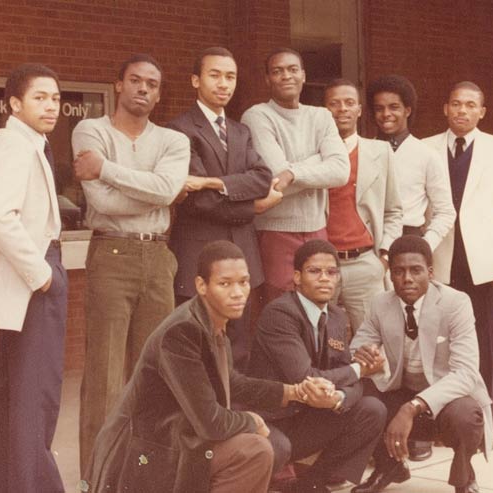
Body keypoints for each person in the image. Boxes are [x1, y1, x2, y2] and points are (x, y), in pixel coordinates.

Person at [82, 240, 321, 493]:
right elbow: (210, 423)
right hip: (145, 452)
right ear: (201, 285)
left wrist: (295, 392)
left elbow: (233, 382)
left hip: (177, 439)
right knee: (256, 449)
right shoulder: (182, 331)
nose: (238, 292)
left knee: (266, 445)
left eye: (243, 282)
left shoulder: (212, 322)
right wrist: (252, 420)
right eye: (225, 284)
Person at [71, 54, 189, 472]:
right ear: (118, 85)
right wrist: (156, 191)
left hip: (158, 256)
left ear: (159, 93)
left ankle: (143, 473)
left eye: (152, 84)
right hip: (112, 253)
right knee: (105, 376)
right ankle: (97, 475)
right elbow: (101, 200)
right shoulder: (91, 129)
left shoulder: (173, 140)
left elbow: (169, 187)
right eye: (135, 80)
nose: (143, 88)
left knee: (154, 371)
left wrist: (105, 168)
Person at [423, 81, 493, 434]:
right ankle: (445, 422)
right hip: (441, 260)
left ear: (481, 112)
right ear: (445, 108)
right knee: (441, 345)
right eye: (456, 104)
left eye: (471, 105)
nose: (462, 111)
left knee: (485, 343)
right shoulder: (427, 149)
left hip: (483, 263)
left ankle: (487, 421)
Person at [0, 63, 68, 492]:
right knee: (36, 399)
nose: (51, 106)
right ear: (15, 103)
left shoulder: (28, 141)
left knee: (16, 399)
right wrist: (42, 275)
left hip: (30, 281)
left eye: (55, 98)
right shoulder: (15, 143)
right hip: (33, 281)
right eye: (40, 97)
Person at [350, 235, 493, 493]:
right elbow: (357, 347)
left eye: (415, 270)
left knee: (466, 416)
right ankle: (389, 467)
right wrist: (366, 354)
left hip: (447, 396)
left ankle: (464, 476)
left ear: (430, 272)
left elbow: (465, 373)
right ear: (390, 275)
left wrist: (412, 407)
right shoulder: (380, 303)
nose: (407, 279)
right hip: (401, 389)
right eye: (399, 271)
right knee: (360, 398)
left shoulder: (455, 303)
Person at [168, 46, 277, 370]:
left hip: (241, 253)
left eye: (230, 76)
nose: (223, 83)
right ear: (195, 80)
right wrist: (254, 208)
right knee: (199, 352)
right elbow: (197, 201)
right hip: (198, 257)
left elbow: (262, 177)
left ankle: (236, 417)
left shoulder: (241, 131)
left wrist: (214, 183)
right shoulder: (179, 130)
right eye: (214, 75)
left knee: (239, 349)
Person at [249, 240, 386, 492]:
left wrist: (339, 398)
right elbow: (306, 377)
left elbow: (350, 380)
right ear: (297, 277)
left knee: (372, 409)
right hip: (273, 419)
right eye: (315, 271)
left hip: (308, 415)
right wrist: (359, 369)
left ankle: (312, 482)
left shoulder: (336, 316)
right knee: (278, 449)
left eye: (331, 272)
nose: (325, 279)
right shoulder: (280, 313)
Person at [241, 47, 349, 303]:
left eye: (292, 70)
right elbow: (278, 182)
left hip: (317, 230)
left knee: (320, 304)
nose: (286, 76)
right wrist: (317, 163)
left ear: (303, 75)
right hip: (275, 233)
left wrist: (294, 171)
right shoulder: (257, 116)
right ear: (267, 79)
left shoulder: (321, 116)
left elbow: (341, 171)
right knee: (281, 306)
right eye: (277, 72)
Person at [323, 79, 403, 333]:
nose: (342, 109)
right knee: (320, 343)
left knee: (372, 345)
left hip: (365, 263)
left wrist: (385, 256)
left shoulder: (380, 152)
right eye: (334, 104)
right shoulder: (313, 154)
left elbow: (393, 209)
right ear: (324, 111)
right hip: (323, 263)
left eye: (349, 103)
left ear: (359, 109)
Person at [366, 74, 455, 251]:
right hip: (368, 244)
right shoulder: (364, 151)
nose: (386, 114)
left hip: (408, 243)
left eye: (394, 107)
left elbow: (446, 211)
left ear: (407, 110)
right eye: (379, 108)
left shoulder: (426, 155)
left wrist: (424, 246)